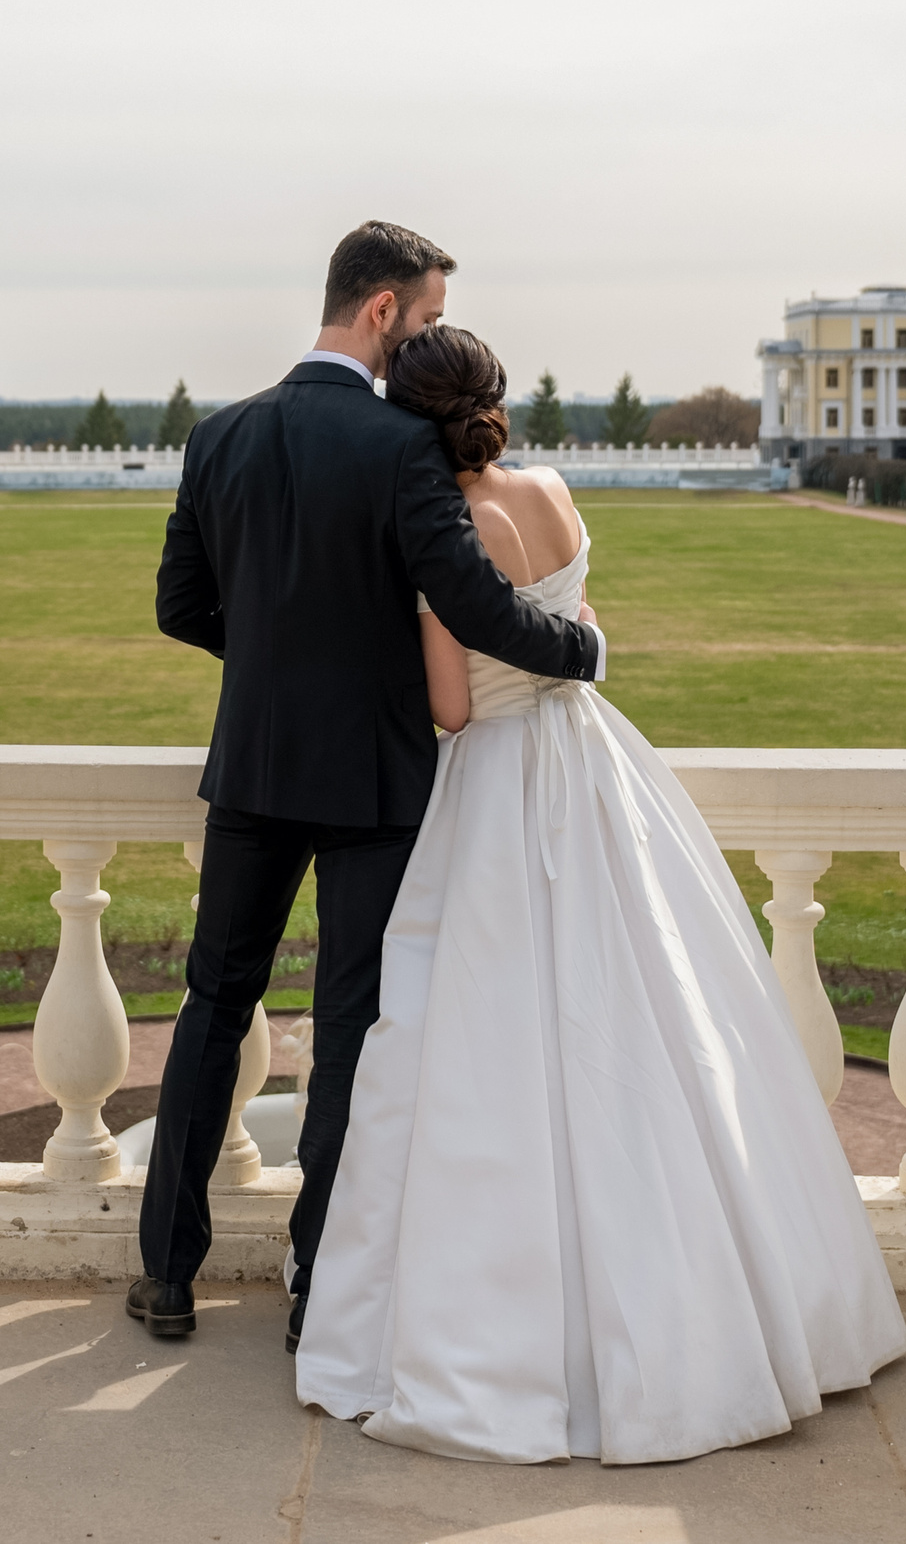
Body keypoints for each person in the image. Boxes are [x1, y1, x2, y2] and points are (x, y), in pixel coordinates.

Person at [295, 325, 906, 1465]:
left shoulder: (447, 525)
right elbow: (580, 630)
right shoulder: (555, 490)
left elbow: (454, 710)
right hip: (594, 758)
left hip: (496, 779)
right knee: (657, 1012)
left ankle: (522, 1337)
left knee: (483, 1041)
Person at [132, 223, 607, 1347]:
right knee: (347, 1024)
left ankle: (165, 1272)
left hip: (252, 762)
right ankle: (316, 1289)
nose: (430, 337)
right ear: (385, 311)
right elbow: (479, 607)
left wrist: (271, 668)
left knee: (214, 1005)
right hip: (374, 778)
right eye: (429, 316)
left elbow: (179, 606)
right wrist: (584, 651)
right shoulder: (400, 447)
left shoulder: (220, 433)